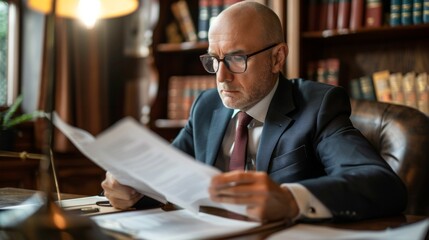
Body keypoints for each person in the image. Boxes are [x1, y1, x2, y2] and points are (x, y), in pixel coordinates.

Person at [102, 2, 406, 223]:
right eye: (213, 60)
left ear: (277, 58)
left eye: (236, 59)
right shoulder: (206, 107)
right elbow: (166, 176)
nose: (221, 77)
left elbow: (382, 184)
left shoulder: (318, 106)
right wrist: (133, 188)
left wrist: (289, 200)